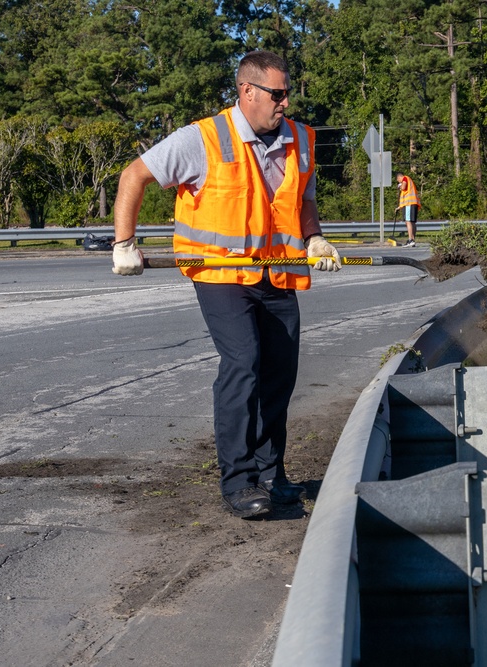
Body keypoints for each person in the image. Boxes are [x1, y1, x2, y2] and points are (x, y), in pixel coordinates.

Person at [111, 50, 342, 519]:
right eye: (277, 94)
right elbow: (134, 175)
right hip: (220, 274)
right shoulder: (203, 138)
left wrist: (315, 237)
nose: (284, 102)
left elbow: (305, 197)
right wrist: (124, 243)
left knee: (280, 370)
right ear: (247, 92)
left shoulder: (299, 137)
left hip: (276, 271)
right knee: (244, 362)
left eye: (287, 93)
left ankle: (270, 472)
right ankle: (238, 482)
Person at [395, 172, 421, 247]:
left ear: (399, 178)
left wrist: (400, 186)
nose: (399, 182)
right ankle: (412, 240)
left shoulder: (405, 178)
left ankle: (411, 240)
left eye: (398, 181)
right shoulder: (409, 181)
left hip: (409, 203)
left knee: (408, 221)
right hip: (413, 203)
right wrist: (399, 207)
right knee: (412, 222)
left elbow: (403, 187)